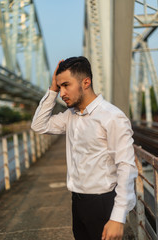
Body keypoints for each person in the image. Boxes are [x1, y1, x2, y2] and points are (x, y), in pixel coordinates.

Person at [31, 56, 138, 240]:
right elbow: (38, 125)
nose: (62, 93)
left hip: (103, 203)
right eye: (60, 87)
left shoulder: (112, 117)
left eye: (66, 85)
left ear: (85, 82)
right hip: (78, 202)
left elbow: (126, 167)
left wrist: (118, 218)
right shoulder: (70, 116)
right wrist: (52, 90)